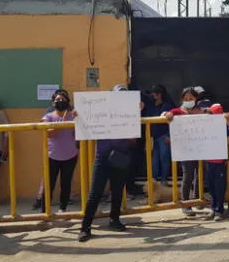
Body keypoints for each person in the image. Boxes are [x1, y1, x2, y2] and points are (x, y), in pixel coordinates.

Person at [78, 84, 136, 242]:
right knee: (94, 194)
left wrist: (130, 134)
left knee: (117, 192)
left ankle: (114, 220)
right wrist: (79, 116)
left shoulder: (130, 115)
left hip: (120, 156)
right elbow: (86, 127)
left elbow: (134, 142)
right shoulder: (99, 113)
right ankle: (85, 227)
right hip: (102, 157)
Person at [162, 87, 205, 217]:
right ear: (182, 99)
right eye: (186, 99)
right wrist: (166, 114)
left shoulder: (200, 111)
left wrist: (209, 113)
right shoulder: (178, 111)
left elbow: (212, 114)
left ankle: (198, 199)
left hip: (200, 147)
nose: (188, 101)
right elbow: (164, 114)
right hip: (185, 149)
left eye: (191, 98)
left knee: (200, 175)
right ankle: (186, 204)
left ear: (196, 99)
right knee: (188, 176)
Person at [35, 90, 78, 213]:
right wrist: (63, 122)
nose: (60, 102)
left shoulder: (73, 115)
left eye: (62, 99)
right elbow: (49, 133)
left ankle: (62, 209)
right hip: (52, 156)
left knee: (66, 183)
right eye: (57, 100)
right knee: (49, 184)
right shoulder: (48, 117)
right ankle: (45, 211)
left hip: (71, 155)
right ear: (53, 103)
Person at [145, 85, 175, 185]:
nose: (153, 95)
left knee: (164, 158)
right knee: (154, 160)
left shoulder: (167, 105)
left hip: (164, 135)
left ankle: (163, 180)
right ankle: (153, 181)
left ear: (160, 94)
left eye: (155, 93)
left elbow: (171, 122)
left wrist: (170, 136)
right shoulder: (151, 105)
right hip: (154, 136)